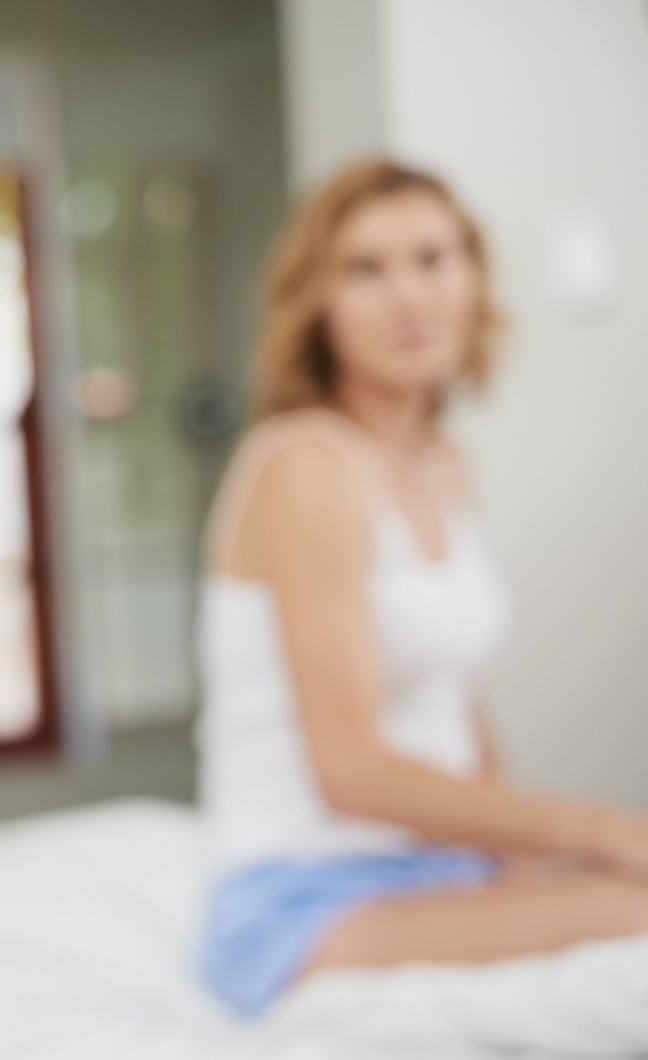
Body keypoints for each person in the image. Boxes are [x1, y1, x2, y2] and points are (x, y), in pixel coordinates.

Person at [194, 159, 648, 1018]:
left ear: (473, 278)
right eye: (366, 269)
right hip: (307, 895)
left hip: (440, 864)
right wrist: (607, 831)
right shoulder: (306, 465)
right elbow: (352, 771)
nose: (409, 295)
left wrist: (520, 866)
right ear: (318, 305)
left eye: (434, 259)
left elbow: (458, 705)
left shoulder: (444, 464)